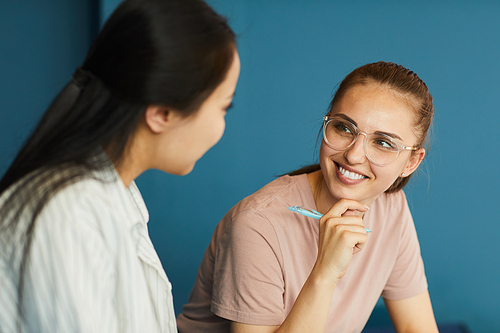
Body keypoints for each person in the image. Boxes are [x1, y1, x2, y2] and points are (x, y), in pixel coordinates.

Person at [0, 0, 239, 331]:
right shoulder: (68, 213)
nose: (222, 126)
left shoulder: (114, 194)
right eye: (223, 107)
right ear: (161, 114)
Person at [177, 61, 438, 333]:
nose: (354, 155)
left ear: (411, 162)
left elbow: (415, 326)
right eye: (344, 128)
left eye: (383, 143)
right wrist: (325, 273)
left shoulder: (391, 206)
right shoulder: (256, 224)